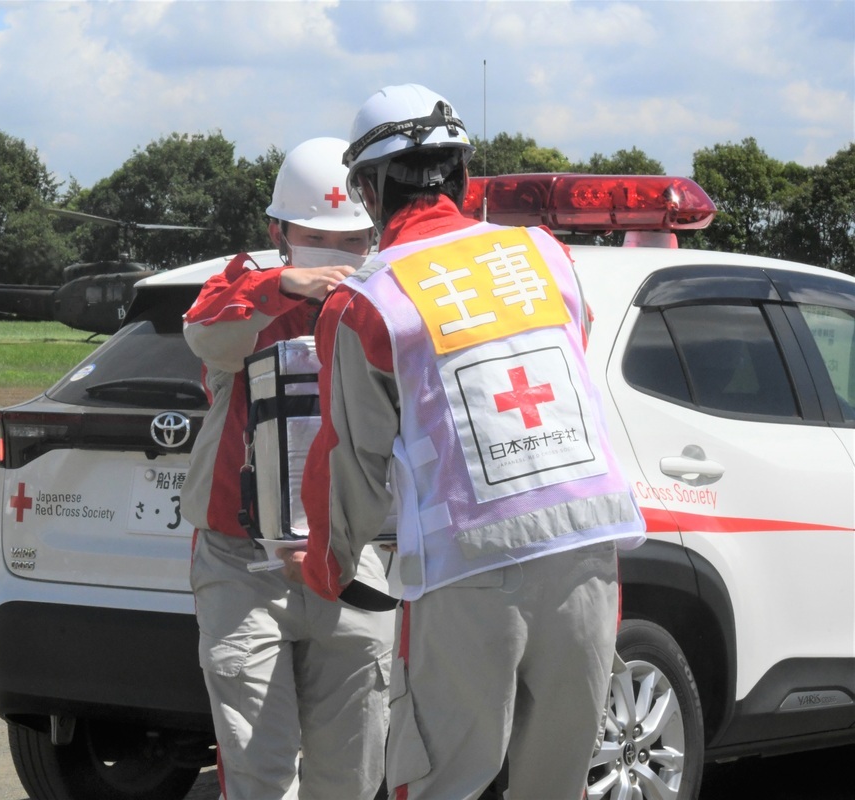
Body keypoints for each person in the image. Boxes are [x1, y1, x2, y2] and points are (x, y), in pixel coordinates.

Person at [281, 85, 647, 800]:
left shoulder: (369, 299)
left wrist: (325, 567)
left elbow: (349, 461)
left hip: (469, 570)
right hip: (591, 553)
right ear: (462, 178)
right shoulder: (545, 255)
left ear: (369, 191)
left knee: (441, 781)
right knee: (554, 786)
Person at [181, 137, 394, 800]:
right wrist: (284, 287)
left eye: (355, 239)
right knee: (259, 773)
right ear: (279, 232)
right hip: (244, 566)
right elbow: (207, 331)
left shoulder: (390, 296)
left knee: (352, 777)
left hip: (358, 562)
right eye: (316, 237)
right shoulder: (243, 290)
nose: (339, 255)